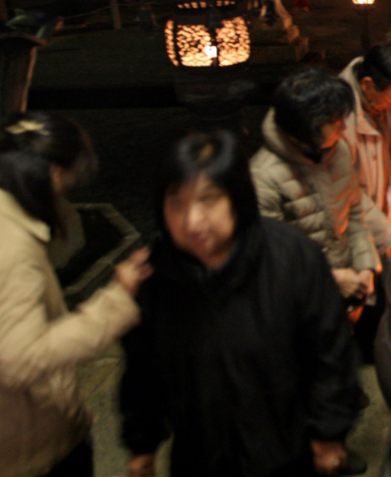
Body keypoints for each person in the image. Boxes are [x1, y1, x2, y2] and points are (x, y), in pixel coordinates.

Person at [120, 131, 362, 477]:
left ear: (237, 198)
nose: (192, 221)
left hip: (283, 452)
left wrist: (328, 434)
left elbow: (330, 352)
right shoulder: (155, 276)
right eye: (177, 202)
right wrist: (142, 445)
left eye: (208, 200)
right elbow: (142, 369)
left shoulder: (291, 258)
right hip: (198, 456)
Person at [0, 112, 151, 477]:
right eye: (69, 179)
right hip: (23, 449)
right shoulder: (8, 251)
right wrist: (116, 300)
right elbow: (21, 358)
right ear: (53, 173)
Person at [250, 69, 378, 317]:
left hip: (346, 290)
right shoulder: (263, 178)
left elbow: (354, 213)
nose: (344, 126)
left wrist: (365, 266)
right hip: (299, 306)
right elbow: (270, 260)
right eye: (335, 120)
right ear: (307, 128)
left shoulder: (338, 150)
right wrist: (332, 279)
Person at [338, 44, 391, 257]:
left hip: (376, 225)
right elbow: (343, 190)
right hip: (349, 237)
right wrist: (385, 230)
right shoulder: (338, 119)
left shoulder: (378, 106)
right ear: (367, 84)